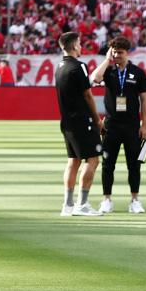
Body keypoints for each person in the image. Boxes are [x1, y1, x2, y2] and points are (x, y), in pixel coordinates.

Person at [89, 35, 146, 214]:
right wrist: (106, 60)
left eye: (120, 52)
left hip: (132, 125)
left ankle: (135, 200)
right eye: (114, 52)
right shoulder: (108, 70)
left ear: (127, 53)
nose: (117, 55)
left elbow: (145, 100)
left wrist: (144, 125)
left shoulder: (138, 72)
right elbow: (94, 78)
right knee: (108, 164)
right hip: (110, 125)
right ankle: (106, 200)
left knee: (134, 165)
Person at [55, 32, 104, 216]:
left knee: (73, 161)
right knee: (93, 159)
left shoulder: (59, 67)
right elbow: (88, 95)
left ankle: (67, 205)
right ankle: (82, 203)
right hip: (82, 120)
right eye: (80, 44)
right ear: (75, 46)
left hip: (67, 121)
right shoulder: (79, 66)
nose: (81, 47)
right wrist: (97, 119)